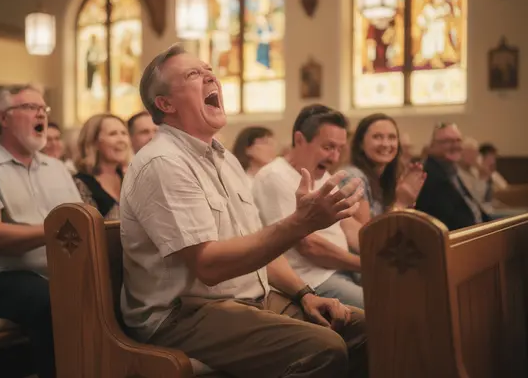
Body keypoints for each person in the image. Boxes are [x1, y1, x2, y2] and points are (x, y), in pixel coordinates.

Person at [120, 44, 367, 378]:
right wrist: (299, 223)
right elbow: (208, 266)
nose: (210, 76)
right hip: (184, 314)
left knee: (364, 327)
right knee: (322, 349)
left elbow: (260, 245)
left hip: (247, 300)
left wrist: (305, 294)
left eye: (209, 69)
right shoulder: (163, 162)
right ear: (165, 104)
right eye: (194, 74)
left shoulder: (226, 160)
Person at [0, 85, 82, 378]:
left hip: (54, 272)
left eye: (43, 109)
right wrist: (56, 232)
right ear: (3, 118)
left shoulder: (56, 169)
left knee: (112, 287)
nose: (41, 114)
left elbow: (80, 223)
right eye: (30, 107)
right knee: (54, 299)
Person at [252, 108, 364, 308]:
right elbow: (307, 245)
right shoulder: (274, 176)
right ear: (299, 139)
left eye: (340, 149)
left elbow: (349, 226)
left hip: (342, 268)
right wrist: (365, 265)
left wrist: (383, 250)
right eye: (328, 147)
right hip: (313, 279)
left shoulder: (324, 177)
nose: (335, 158)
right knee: (383, 307)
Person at [343, 114, 426, 224]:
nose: (386, 144)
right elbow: (366, 235)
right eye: (377, 137)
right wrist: (400, 203)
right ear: (360, 144)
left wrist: (408, 199)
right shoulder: (353, 177)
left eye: (392, 137)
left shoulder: (386, 177)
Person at [416, 123, 490, 230]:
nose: (455, 145)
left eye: (458, 140)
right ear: (432, 146)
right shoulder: (428, 176)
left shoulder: (450, 170)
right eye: (447, 141)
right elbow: (453, 222)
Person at [73, 113, 131, 219]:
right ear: (94, 142)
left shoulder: (130, 178)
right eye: (113, 134)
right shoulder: (80, 183)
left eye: (124, 133)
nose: (121, 139)